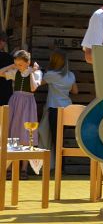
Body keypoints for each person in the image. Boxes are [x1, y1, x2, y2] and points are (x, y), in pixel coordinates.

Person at [1, 50, 42, 178]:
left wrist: (31, 72)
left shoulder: (36, 72)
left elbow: (33, 88)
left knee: (26, 133)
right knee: (12, 131)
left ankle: (24, 168)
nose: (18, 66)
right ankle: (10, 166)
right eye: (16, 64)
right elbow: (1, 72)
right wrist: (12, 66)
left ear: (27, 63)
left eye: (20, 64)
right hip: (15, 102)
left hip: (28, 103)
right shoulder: (15, 72)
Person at [37, 50, 78, 168]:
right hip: (67, 109)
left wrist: (37, 71)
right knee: (60, 138)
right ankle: (60, 165)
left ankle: (58, 166)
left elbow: (37, 83)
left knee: (54, 138)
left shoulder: (51, 75)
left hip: (54, 109)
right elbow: (75, 91)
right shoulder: (71, 75)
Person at [0, 31, 14, 106]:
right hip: (4, 92)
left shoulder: (7, 56)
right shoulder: (7, 57)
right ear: (1, 41)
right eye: (5, 41)